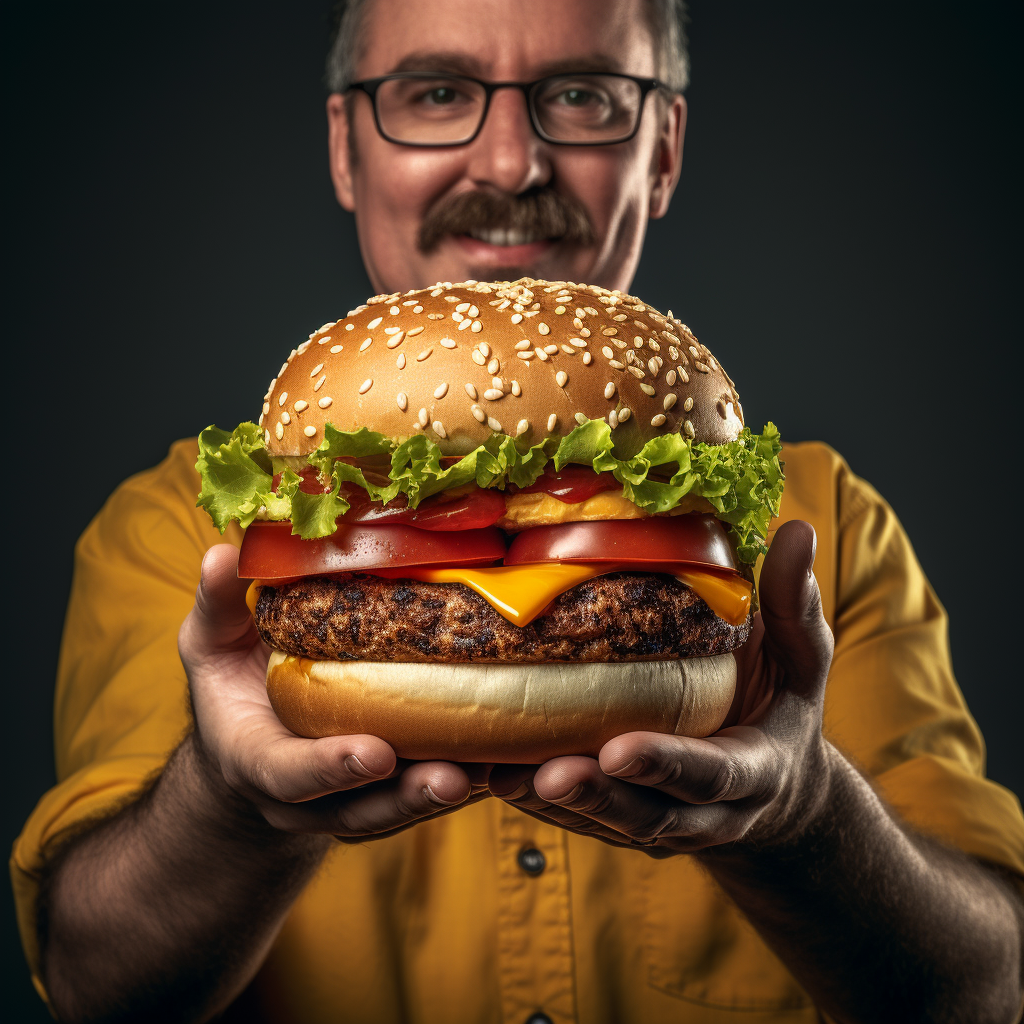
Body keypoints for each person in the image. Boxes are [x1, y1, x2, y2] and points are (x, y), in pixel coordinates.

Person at [11, 1, 1024, 1021]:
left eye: (581, 95)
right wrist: (229, 813)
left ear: (662, 152)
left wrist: (802, 820)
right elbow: (94, 988)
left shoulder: (830, 527)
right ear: (345, 151)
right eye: (437, 92)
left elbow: (985, 991)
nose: (508, 164)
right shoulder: (170, 527)